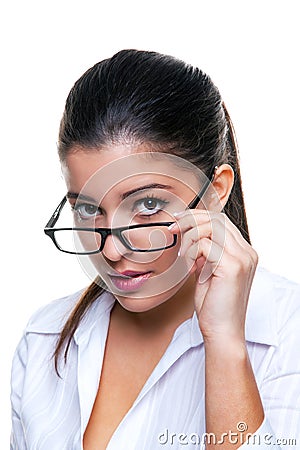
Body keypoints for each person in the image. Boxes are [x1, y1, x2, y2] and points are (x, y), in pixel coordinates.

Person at [10, 49, 300, 450]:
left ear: (215, 191)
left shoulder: (288, 332)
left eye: (148, 205)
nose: (111, 250)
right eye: (89, 209)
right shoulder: (45, 338)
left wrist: (226, 343)